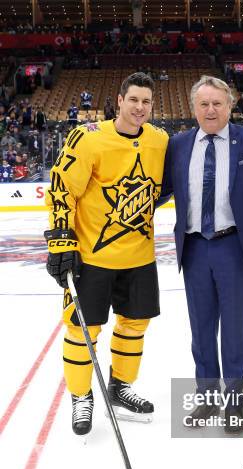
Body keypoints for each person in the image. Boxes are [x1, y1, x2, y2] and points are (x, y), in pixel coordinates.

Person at [44, 72, 168, 435]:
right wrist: (62, 240)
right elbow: (61, 188)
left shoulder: (159, 141)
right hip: (93, 258)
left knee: (134, 325)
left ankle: (120, 388)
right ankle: (81, 397)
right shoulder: (88, 138)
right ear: (119, 100)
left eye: (146, 101)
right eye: (134, 100)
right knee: (83, 329)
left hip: (139, 256)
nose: (140, 107)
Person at [161, 75, 243, 434]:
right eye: (204, 104)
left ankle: (235, 398)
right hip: (194, 247)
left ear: (230, 106)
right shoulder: (178, 144)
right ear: (193, 108)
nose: (210, 110)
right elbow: (158, 189)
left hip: (233, 245)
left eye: (217, 104)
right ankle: (208, 397)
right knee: (201, 327)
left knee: (235, 328)